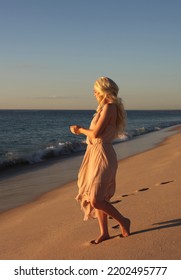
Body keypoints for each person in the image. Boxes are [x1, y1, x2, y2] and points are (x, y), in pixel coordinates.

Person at [70, 76, 130, 244]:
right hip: (95, 153)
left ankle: (123, 221)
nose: (93, 93)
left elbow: (95, 133)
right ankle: (104, 232)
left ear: (103, 91)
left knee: (97, 199)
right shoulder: (104, 108)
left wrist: (79, 130)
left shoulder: (109, 108)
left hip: (102, 154)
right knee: (99, 198)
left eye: (95, 90)